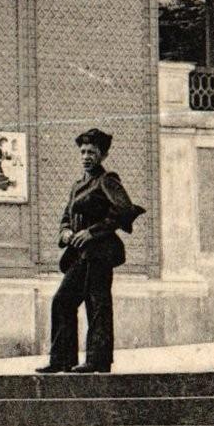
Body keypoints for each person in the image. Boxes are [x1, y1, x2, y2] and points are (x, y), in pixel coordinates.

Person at [36, 128, 145, 375]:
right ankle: (62, 360)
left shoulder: (107, 180)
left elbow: (125, 210)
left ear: (102, 155)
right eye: (83, 152)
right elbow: (66, 216)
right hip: (78, 256)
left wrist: (92, 232)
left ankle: (98, 361)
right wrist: (65, 232)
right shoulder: (77, 186)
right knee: (62, 301)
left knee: (97, 306)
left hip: (99, 255)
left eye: (92, 152)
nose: (86, 156)